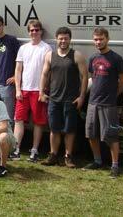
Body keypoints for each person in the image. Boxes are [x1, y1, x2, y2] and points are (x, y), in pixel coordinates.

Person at [39, 27, 88, 168]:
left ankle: (68, 157)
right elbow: (44, 74)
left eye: (66, 38)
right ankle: (53, 155)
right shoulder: (50, 55)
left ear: (70, 40)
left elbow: (85, 76)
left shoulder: (76, 55)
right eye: (60, 38)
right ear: (56, 39)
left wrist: (82, 97)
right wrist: (41, 92)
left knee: (69, 130)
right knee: (54, 129)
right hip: (54, 99)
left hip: (70, 100)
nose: (63, 41)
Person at [83, 27, 123, 178]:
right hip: (92, 102)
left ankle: (115, 166)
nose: (98, 42)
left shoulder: (116, 58)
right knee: (91, 134)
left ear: (107, 39)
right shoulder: (93, 58)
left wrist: (115, 94)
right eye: (95, 39)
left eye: (101, 39)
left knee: (111, 135)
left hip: (108, 103)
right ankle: (97, 161)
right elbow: (92, 78)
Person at [12, 20, 52, 161]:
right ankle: (15, 149)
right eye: (31, 30)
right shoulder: (23, 48)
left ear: (41, 31)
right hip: (23, 90)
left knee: (38, 122)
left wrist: (43, 90)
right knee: (18, 120)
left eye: (37, 30)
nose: (34, 32)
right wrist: (18, 89)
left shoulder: (46, 48)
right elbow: (18, 70)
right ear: (28, 32)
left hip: (38, 91)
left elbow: (48, 72)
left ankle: (34, 151)